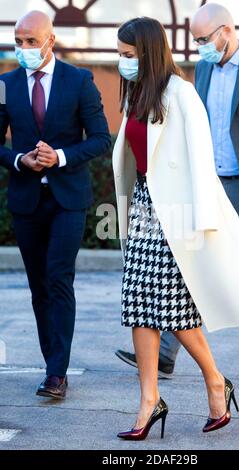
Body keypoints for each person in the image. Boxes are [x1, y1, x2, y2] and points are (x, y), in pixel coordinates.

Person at [116, 3, 239, 385]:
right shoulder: (201, 70)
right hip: (207, 188)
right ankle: (165, 354)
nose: (200, 46)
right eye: (196, 40)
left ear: (227, 31)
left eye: (204, 39)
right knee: (187, 266)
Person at [113, 16, 239, 440]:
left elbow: (201, 164)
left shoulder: (180, 94)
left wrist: (201, 226)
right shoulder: (135, 93)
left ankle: (215, 380)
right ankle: (149, 399)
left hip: (179, 212)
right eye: (119, 55)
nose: (122, 62)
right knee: (138, 302)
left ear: (146, 52)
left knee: (171, 307)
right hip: (145, 206)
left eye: (127, 55)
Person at [0, 11, 111, 399]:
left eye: (31, 41)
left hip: (68, 199)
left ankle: (56, 374)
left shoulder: (79, 81)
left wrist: (59, 156)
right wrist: (19, 159)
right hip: (26, 199)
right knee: (38, 286)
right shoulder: (6, 84)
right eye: (19, 41)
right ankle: (53, 363)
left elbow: (101, 139)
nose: (24, 49)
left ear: (50, 40)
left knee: (59, 278)